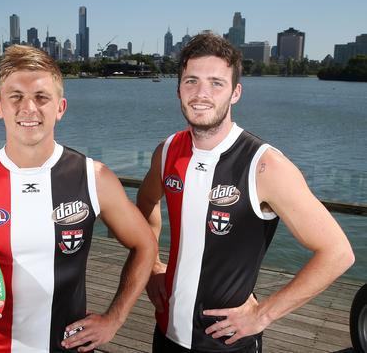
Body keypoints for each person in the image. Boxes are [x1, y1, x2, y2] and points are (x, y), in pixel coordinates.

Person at [0, 44, 157, 352]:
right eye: (16, 97)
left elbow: (145, 245)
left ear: (60, 107)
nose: (28, 108)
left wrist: (115, 318)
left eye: (41, 97)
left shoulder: (93, 178)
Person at [136, 33, 355, 352]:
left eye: (216, 83)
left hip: (228, 342)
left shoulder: (265, 166)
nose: (201, 94)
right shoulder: (167, 151)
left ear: (235, 92)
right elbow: (145, 202)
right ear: (178, 89)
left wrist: (263, 314)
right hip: (164, 332)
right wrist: (153, 265)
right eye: (191, 81)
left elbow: (337, 253)